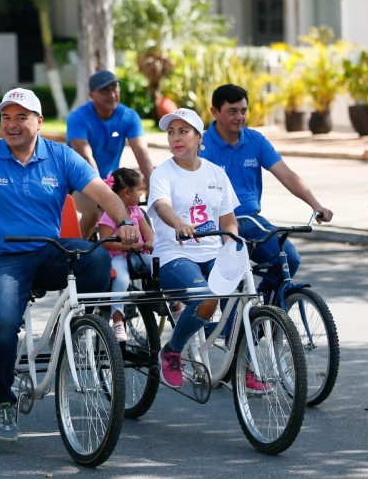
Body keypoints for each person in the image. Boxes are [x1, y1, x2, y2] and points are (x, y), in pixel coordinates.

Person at [0, 87, 140, 442]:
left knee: (96, 256)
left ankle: (79, 326)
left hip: (48, 250)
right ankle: (3, 399)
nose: (12, 124)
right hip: (1, 258)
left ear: (39, 121)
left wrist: (124, 221)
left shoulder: (60, 156)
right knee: (4, 326)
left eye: (21, 117)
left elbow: (103, 193)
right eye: (6, 117)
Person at [146, 108, 266, 391]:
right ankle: (172, 350)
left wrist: (232, 248)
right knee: (206, 298)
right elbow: (161, 206)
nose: (176, 138)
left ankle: (244, 366)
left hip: (213, 252)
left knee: (241, 299)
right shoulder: (163, 173)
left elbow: (228, 221)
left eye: (183, 131)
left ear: (200, 138)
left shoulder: (216, 173)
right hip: (173, 254)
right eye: (171, 132)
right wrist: (178, 223)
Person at [200, 84, 334, 301]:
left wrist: (316, 205)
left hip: (252, 221)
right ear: (215, 112)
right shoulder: (202, 145)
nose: (240, 117)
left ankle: (267, 311)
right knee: (232, 276)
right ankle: (232, 320)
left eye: (243, 111)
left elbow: (287, 175)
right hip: (217, 225)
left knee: (289, 259)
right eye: (232, 111)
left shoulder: (255, 140)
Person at [66, 69, 154, 239]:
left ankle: (129, 251)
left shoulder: (129, 116)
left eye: (115, 88)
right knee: (93, 212)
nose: (112, 94)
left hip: (111, 182)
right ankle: (75, 251)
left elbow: (142, 154)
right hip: (78, 181)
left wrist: (152, 185)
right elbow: (86, 157)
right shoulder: (77, 118)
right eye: (105, 90)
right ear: (91, 95)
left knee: (134, 210)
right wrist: (102, 193)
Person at [98, 167, 154, 341]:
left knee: (163, 266)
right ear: (127, 192)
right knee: (121, 279)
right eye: (139, 190)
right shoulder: (109, 214)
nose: (141, 194)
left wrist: (150, 242)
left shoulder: (137, 211)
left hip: (139, 255)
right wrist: (127, 246)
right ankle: (117, 320)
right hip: (118, 257)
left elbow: (148, 232)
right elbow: (105, 241)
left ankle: (175, 307)